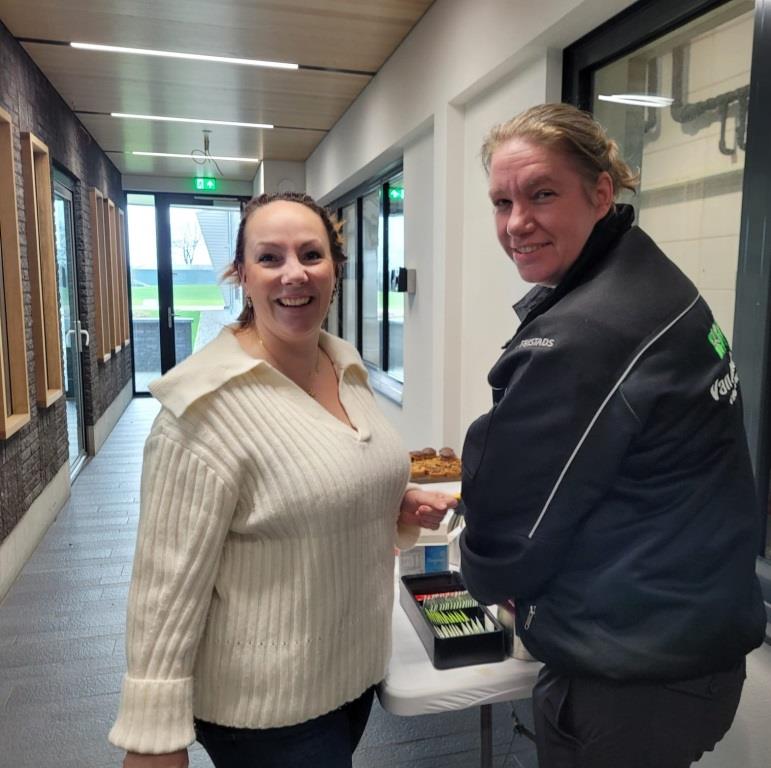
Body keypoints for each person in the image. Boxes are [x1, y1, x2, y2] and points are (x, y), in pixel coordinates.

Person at [459, 103, 766, 768]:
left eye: (542, 194)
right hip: (683, 641)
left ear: (600, 193)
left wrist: (479, 567)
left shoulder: (588, 331)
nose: (516, 223)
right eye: (502, 202)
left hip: (632, 675)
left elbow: (512, 521)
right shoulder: (648, 276)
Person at [109, 192, 456, 768]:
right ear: (242, 275)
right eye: (269, 258)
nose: (294, 273)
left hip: (348, 675)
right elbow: (164, 586)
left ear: (335, 269)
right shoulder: (202, 411)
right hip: (265, 707)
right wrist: (154, 738)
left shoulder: (344, 366)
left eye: (311, 254)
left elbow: (324, 474)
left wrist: (393, 503)